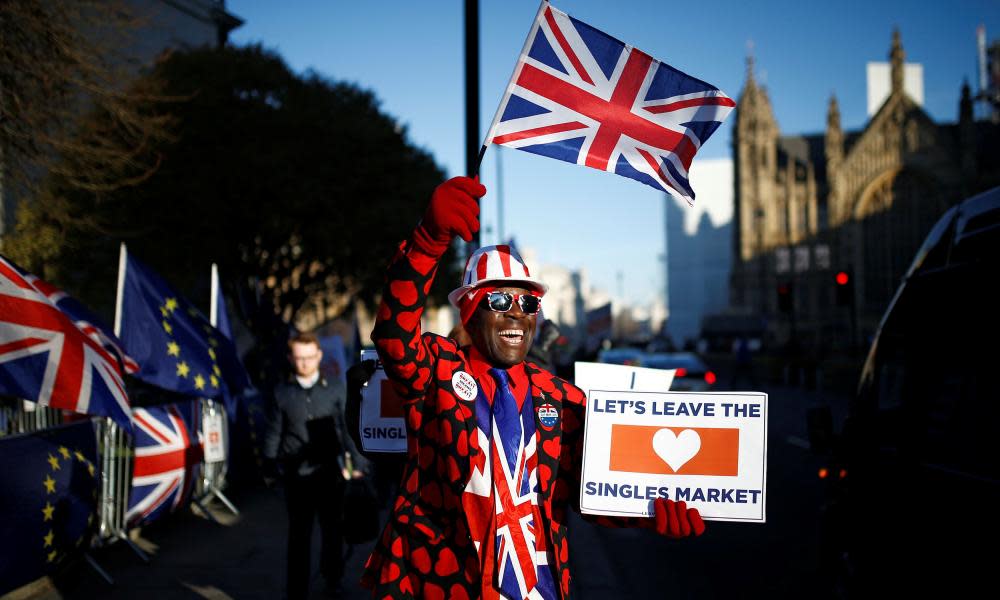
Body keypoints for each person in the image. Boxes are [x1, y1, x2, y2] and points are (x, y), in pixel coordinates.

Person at [361, 177, 704, 599]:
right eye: (500, 301)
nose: (516, 314)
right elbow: (394, 334)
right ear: (470, 314)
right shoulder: (438, 372)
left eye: (528, 303)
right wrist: (429, 240)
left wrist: (647, 511)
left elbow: (593, 490)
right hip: (444, 586)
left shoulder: (563, 398)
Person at [263, 331, 367, 600]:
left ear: (319, 356)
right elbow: (275, 432)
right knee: (298, 536)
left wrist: (358, 465)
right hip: (296, 478)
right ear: (291, 358)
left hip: (329, 474)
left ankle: (333, 579)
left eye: (310, 357)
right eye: (299, 358)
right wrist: (269, 467)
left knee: (333, 532)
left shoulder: (335, 388)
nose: (305, 363)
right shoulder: (281, 393)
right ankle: (296, 590)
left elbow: (346, 429)